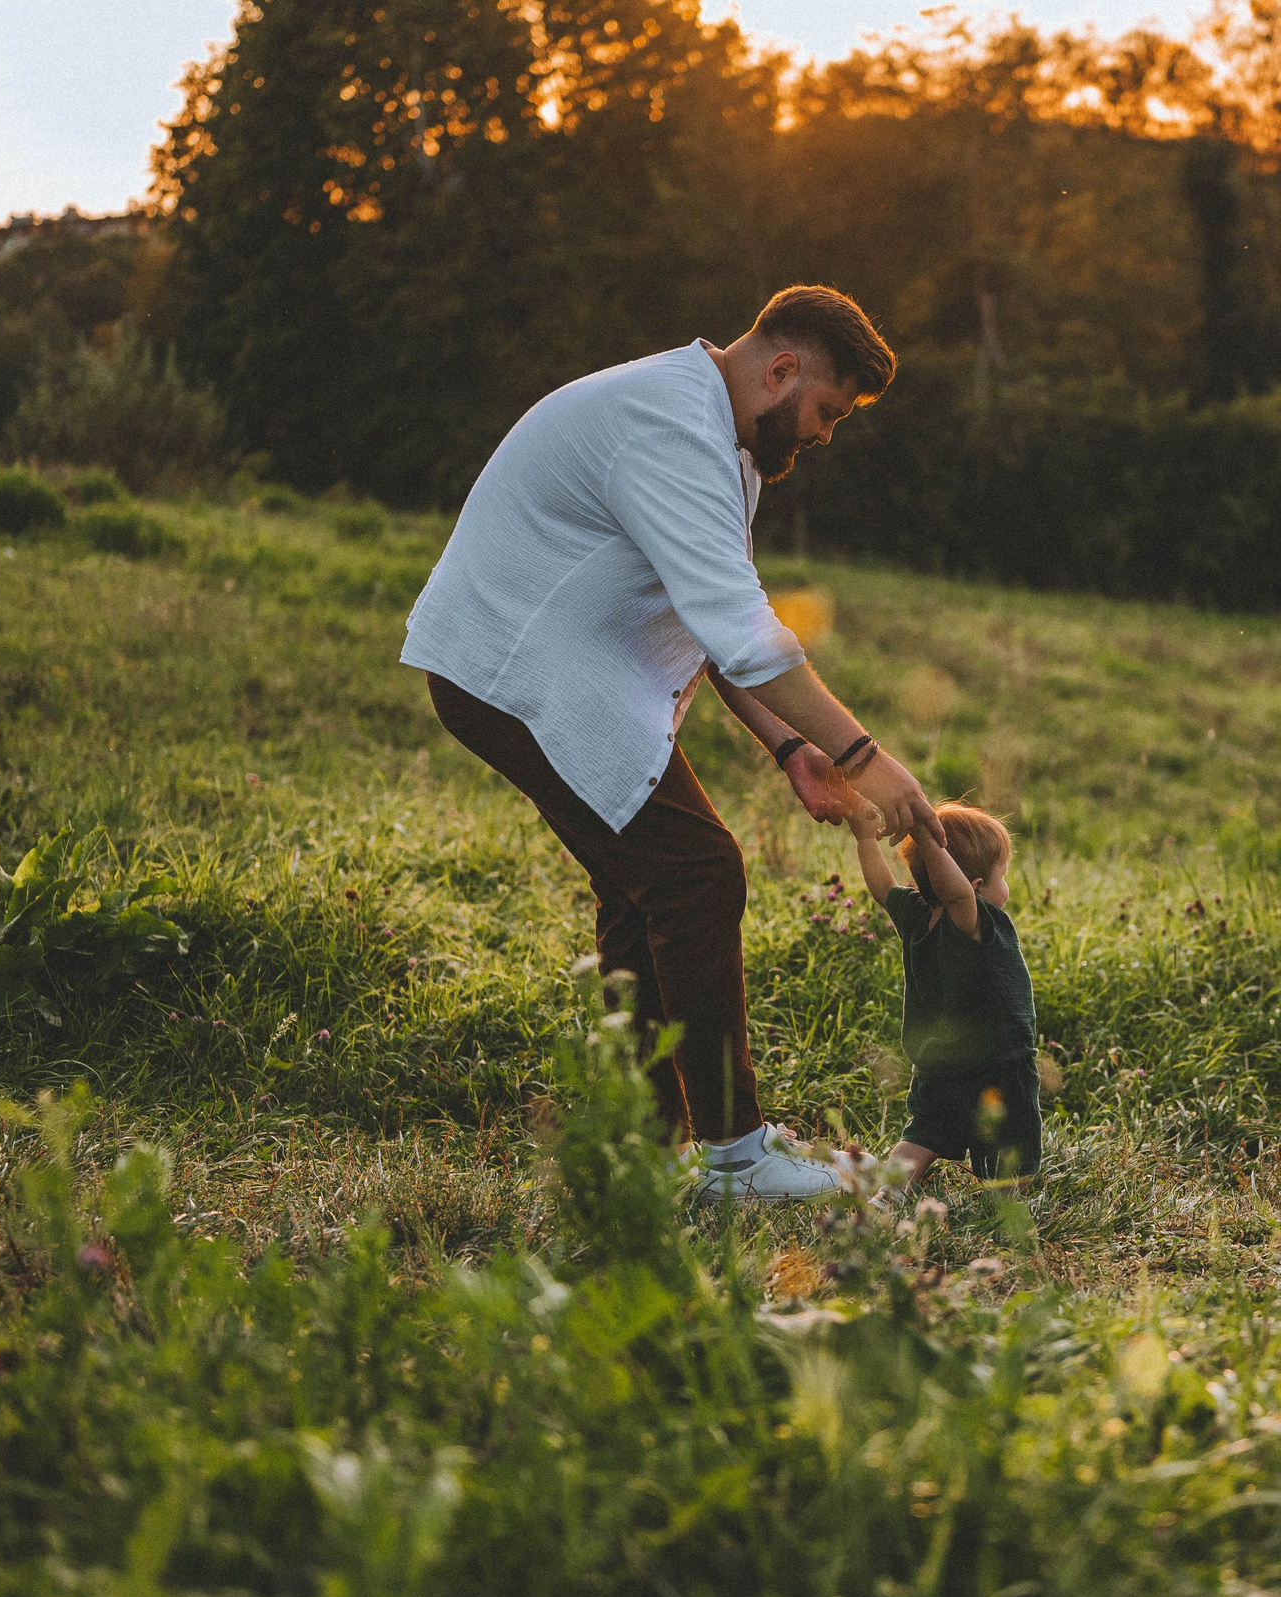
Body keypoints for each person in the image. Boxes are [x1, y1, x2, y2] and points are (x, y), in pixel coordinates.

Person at [402, 285, 942, 1201]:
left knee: (646, 883)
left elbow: (711, 610)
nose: (824, 434)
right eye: (825, 411)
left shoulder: (720, 439)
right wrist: (862, 755)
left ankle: (649, 1148)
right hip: (513, 667)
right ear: (780, 370)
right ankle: (736, 1155)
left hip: (561, 666)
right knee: (695, 872)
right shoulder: (669, 429)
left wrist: (788, 747)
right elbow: (742, 629)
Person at [851, 800, 1042, 1193]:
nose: (1005, 886)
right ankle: (1007, 1205)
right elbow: (956, 895)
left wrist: (864, 839)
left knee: (923, 1134)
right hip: (999, 1065)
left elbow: (882, 887)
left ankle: (890, 1191)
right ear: (973, 887)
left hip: (937, 1063)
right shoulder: (968, 919)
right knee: (1010, 1154)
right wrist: (924, 833)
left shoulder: (917, 915)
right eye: (1002, 876)